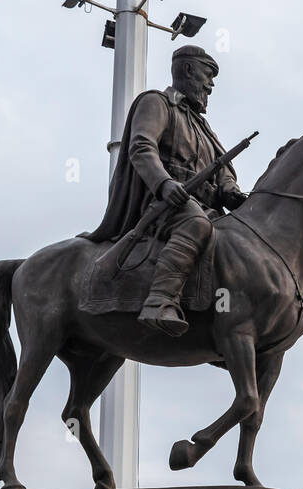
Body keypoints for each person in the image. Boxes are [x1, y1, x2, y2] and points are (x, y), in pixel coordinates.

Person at [84, 45, 248, 337]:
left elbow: (222, 169)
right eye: (208, 75)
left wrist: (231, 191)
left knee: (240, 240)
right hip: (164, 205)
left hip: (206, 208)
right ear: (187, 70)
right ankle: (160, 301)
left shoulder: (203, 127)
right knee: (196, 223)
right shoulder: (157, 103)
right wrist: (164, 184)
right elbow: (141, 147)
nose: (211, 85)